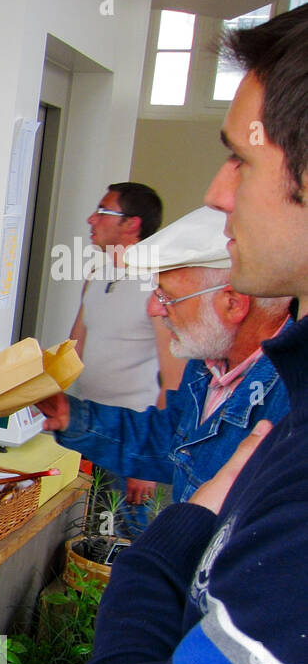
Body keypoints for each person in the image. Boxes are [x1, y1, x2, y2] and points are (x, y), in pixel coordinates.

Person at [71, 5, 308, 664]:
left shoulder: (279, 415)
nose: (217, 190)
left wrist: (151, 559)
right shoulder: (257, 404)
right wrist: (72, 421)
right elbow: (167, 443)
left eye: (240, 158)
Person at [36, 206, 291, 502]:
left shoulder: (292, 399)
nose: (154, 309)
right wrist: (72, 417)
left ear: (233, 303)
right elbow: (172, 441)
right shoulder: (207, 365)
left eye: (166, 296)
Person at [68, 182, 185, 529]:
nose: (92, 218)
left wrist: (147, 461)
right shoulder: (95, 275)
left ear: (132, 224)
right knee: (77, 531)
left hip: (131, 441)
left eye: (103, 211)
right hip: (87, 425)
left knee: (120, 538)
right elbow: (72, 349)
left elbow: (173, 377)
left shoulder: (158, 284)